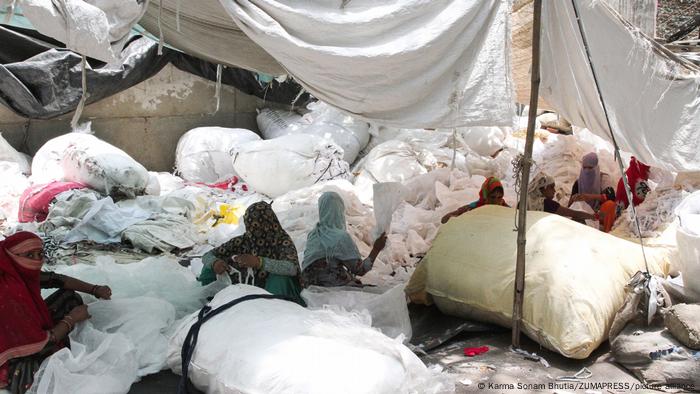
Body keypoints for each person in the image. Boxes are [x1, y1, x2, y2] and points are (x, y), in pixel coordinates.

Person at [0, 231, 112, 394]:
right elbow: (42, 346)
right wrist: (71, 319)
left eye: (40, 254)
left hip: (21, 334)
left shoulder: (13, 269)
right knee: (43, 371)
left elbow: (56, 279)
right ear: (11, 255)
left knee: (69, 298)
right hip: (10, 361)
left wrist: (94, 289)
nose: (37, 260)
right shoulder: (7, 292)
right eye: (29, 255)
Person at [198, 202, 304, 305]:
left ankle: (273, 310)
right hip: (247, 289)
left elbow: (291, 268)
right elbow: (208, 255)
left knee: (281, 279)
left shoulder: (281, 242)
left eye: (261, 227)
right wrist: (214, 263)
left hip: (274, 291)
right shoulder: (244, 241)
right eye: (251, 228)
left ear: (270, 224)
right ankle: (211, 302)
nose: (256, 233)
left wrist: (260, 262)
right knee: (209, 268)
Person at [301, 192, 387, 287]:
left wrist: (350, 277)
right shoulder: (341, 237)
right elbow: (360, 270)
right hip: (330, 288)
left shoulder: (314, 234)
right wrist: (376, 249)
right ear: (340, 210)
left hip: (308, 285)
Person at [567, 152, 617, 232]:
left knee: (610, 205)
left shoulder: (603, 179)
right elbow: (569, 206)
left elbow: (611, 196)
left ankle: (607, 232)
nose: (587, 171)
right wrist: (575, 199)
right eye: (584, 168)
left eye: (590, 168)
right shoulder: (578, 182)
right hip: (585, 213)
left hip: (599, 213)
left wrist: (589, 196)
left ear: (596, 167)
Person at [528, 172, 600, 223]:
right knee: (578, 220)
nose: (554, 190)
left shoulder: (525, 201)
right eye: (551, 187)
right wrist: (593, 217)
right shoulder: (546, 204)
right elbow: (574, 214)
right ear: (542, 188)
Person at [441, 176, 509, 224]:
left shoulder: (503, 206)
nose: (496, 201)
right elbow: (461, 211)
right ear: (486, 196)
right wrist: (452, 215)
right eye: (492, 197)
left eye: (499, 197)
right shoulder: (478, 206)